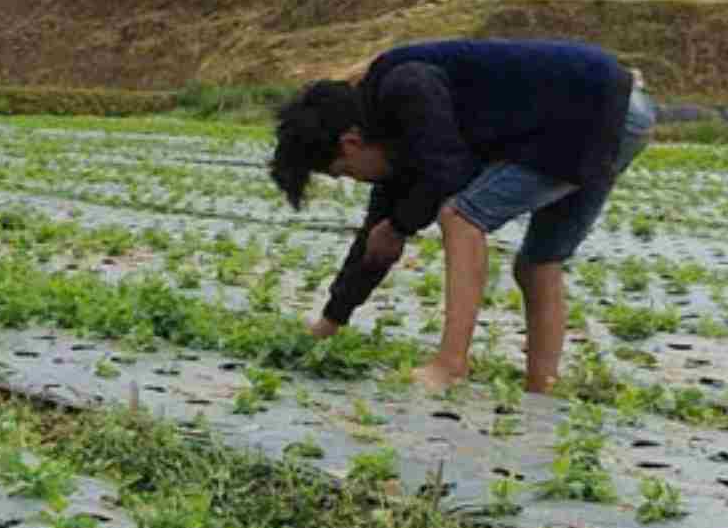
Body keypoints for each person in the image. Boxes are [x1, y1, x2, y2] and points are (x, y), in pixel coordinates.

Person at [269, 39, 655, 393]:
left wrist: (401, 226)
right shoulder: (393, 135)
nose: (354, 180)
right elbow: (377, 238)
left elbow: (447, 175)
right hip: (618, 108)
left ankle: (450, 365)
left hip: (587, 111)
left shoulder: (405, 86)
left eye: (345, 172)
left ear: (350, 142)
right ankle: (543, 386)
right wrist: (330, 322)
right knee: (539, 262)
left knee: (460, 217)